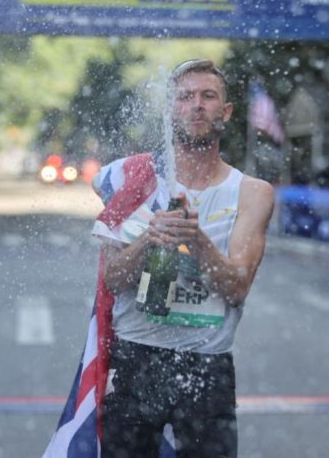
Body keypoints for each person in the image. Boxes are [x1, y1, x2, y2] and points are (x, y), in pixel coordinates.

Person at [96, 59, 275, 458]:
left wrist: (196, 240)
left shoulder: (251, 192)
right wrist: (147, 239)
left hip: (205, 366)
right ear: (170, 109)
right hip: (136, 359)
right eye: (186, 97)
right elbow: (114, 279)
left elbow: (236, 287)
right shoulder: (135, 181)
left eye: (208, 97)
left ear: (225, 112)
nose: (197, 105)